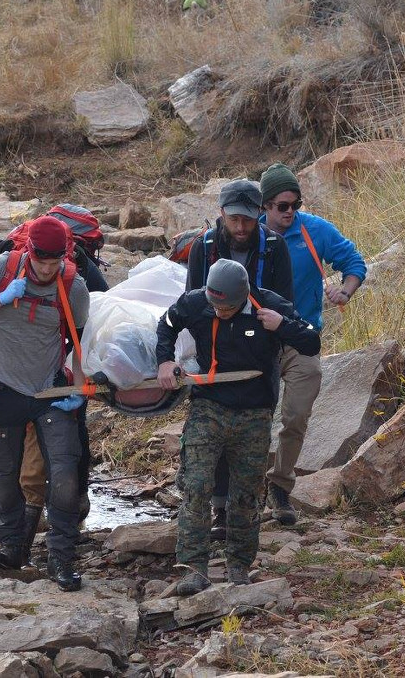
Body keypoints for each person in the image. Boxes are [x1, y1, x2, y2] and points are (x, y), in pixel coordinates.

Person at [156, 260, 320, 594]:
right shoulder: (196, 302)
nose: (220, 312)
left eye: (227, 307)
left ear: (243, 296)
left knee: (245, 493)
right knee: (197, 485)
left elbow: (311, 342)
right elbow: (168, 324)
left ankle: (239, 565)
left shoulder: (270, 306)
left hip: (254, 413)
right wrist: (165, 360)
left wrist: (282, 326)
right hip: (208, 406)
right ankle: (193, 567)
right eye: (215, 306)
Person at [0, 216, 90, 591]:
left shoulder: (73, 286)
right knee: (3, 472)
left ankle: (61, 560)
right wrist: (1, 298)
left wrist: (77, 390)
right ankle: (12, 546)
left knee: (63, 475)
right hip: (4, 388)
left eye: (54, 262)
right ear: (29, 252)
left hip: (50, 392)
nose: (47, 269)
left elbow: (79, 346)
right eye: (41, 261)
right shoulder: (1, 269)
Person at [0, 205, 108, 556]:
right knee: (53, 454)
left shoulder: (73, 272)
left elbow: (90, 320)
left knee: (54, 454)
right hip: (22, 375)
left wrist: (80, 382)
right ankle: (24, 541)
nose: (46, 267)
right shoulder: (6, 262)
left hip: (53, 373)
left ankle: (26, 543)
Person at [184, 178, 294, 540]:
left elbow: (284, 301)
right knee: (211, 433)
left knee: (252, 429)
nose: (242, 228)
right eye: (235, 220)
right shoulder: (205, 246)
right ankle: (219, 510)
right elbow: (191, 301)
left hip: (258, 352)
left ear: (259, 214)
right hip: (213, 351)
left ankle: (244, 510)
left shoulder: (275, 247)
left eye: (248, 220)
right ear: (221, 214)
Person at [257, 163, 365, 524]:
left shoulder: (313, 229)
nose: (290, 212)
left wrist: (344, 291)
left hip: (302, 338)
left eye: (295, 204)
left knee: (296, 415)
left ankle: (281, 487)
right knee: (256, 417)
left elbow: (353, 262)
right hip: (257, 339)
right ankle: (246, 488)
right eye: (282, 206)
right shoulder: (249, 234)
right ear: (265, 206)